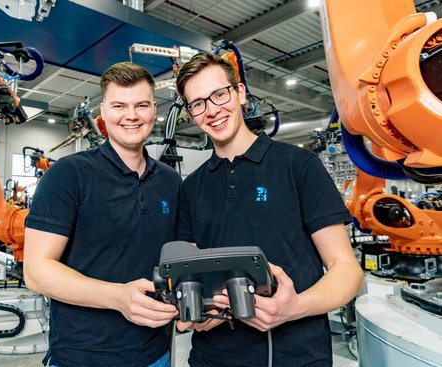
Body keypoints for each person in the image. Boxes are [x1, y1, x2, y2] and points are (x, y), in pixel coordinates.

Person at [174, 52, 364, 366]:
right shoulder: (191, 187)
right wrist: (199, 313)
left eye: (219, 95)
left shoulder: (298, 165)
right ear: (191, 115)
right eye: (198, 103)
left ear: (240, 93)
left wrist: (296, 306)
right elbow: (191, 274)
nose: (212, 111)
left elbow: (347, 270)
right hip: (213, 357)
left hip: (297, 355)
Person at [24, 62, 180, 367]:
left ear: (154, 110)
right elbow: (36, 271)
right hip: (81, 356)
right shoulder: (69, 174)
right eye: (119, 105)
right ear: (104, 112)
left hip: (155, 354)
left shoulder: (170, 181)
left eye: (141, 105)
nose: (131, 115)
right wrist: (117, 297)